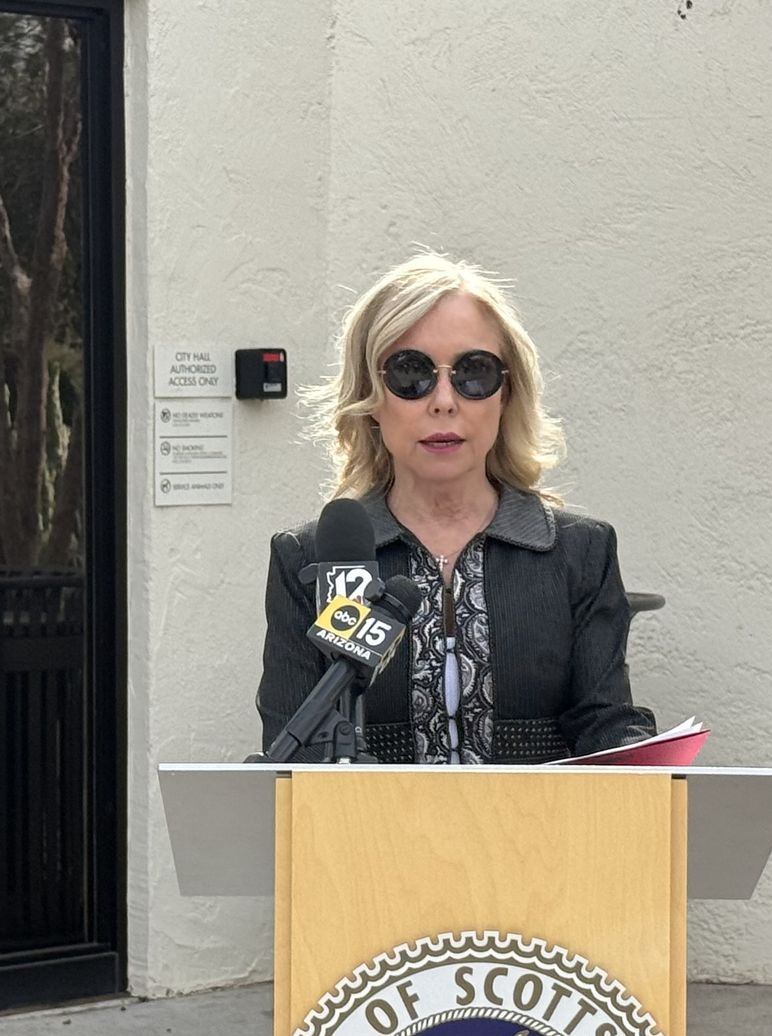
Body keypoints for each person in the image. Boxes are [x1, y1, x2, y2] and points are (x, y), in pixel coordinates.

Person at [257, 252, 655, 764]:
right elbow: (292, 748)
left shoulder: (577, 552)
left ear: (506, 394)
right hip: (370, 839)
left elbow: (603, 722)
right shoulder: (308, 559)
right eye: (410, 373)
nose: (444, 401)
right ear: (370, 398)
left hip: (534, 838)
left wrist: (637, 746)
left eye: (474, 372)